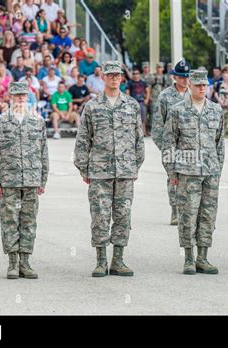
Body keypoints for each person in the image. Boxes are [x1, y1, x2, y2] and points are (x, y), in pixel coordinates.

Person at [74, 61, 145, 278]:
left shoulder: (132, 105)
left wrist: (135, 165)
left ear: (122, 78)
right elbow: (83, 139)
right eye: (110, 75)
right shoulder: (92, 106)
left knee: (123, 216)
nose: (114, 78)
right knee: (100, 216)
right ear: (102, 77)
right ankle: (100, 260)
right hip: (99, 172)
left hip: (125, 171)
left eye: (117, 75)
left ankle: (118, 260)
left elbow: (138, 139)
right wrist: (83, 168)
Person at [162, 69, 225, 275]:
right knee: (188, 215)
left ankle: (203, 257)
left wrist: (218, 169)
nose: (202, 89)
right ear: (189, 86)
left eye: (205, 86)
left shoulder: (216, 110)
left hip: (210, 172)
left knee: (208, 215)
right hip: (187, 173)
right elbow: (168, 143)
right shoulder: (178, 110)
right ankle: (188, 258)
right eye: (198, 85)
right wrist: (172, 173)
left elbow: (220, 144)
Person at [0, 81, 49, 279]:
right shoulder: (0, 122)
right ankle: (13, 263)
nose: (21, 97)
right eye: (17, 94)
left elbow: (43, 152)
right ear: (10, 97)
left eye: (24, 94)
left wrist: (42, 180)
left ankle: (26, 262)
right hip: (8, 180)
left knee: (29, 221)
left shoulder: (37, 122)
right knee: (9, 221)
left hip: (31, 180)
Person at [151, 59, 191, 226]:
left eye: (187, 76)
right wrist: (166, 147)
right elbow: (157, 126)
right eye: (181, 77)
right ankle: (175, 212)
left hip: (191, 146)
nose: (185, 80)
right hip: (171, 146)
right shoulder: (165, 96)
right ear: (175, 77)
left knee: (191, 179)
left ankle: (189, 212)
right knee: (173, 179)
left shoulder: (194, 94)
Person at [126, 67, 150, 136]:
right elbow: (127, 92)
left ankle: (144, 132)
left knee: (143, 118)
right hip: (133, 102)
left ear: (139, 74)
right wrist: (129, 101)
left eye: (137, 73)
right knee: (132, 118)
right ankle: (133, 133)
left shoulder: (143, 82)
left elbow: (148, 90)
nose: (135, 75)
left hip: (141, 102)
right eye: (134, 73)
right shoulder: (130, 82)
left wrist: (147, 99)